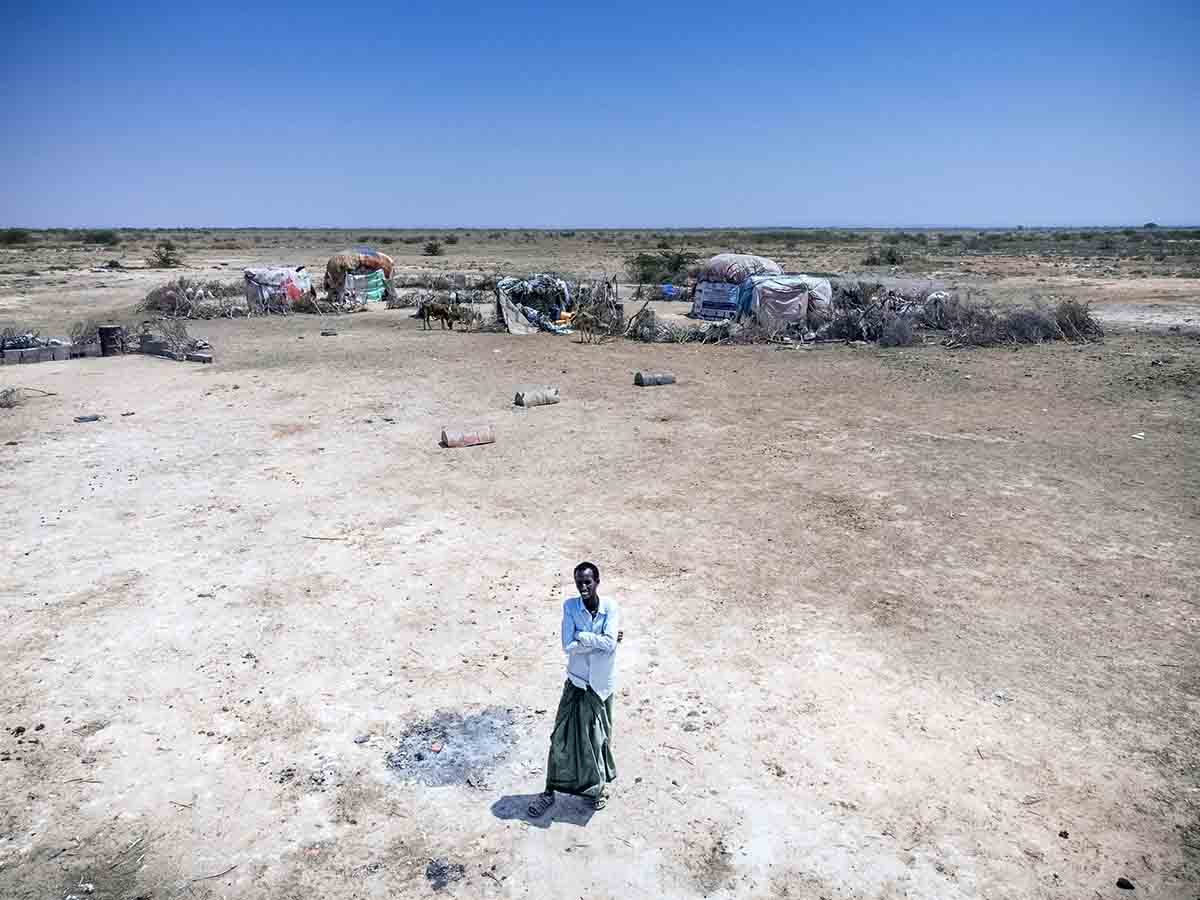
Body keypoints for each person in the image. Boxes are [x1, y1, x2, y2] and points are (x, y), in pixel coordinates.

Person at [528, 561, 622, 816]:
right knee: (560, 737)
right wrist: (598, 641)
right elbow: (567, 646)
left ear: (597, 582)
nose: (583, 586)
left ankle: (595, 789)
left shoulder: (610, 607)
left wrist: (583, 636)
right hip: (577, 682)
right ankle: (550, 791)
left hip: (600, 686)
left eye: (587, 582)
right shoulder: (570, 606)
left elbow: (610, 644)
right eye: (579, 581)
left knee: (597, 740)